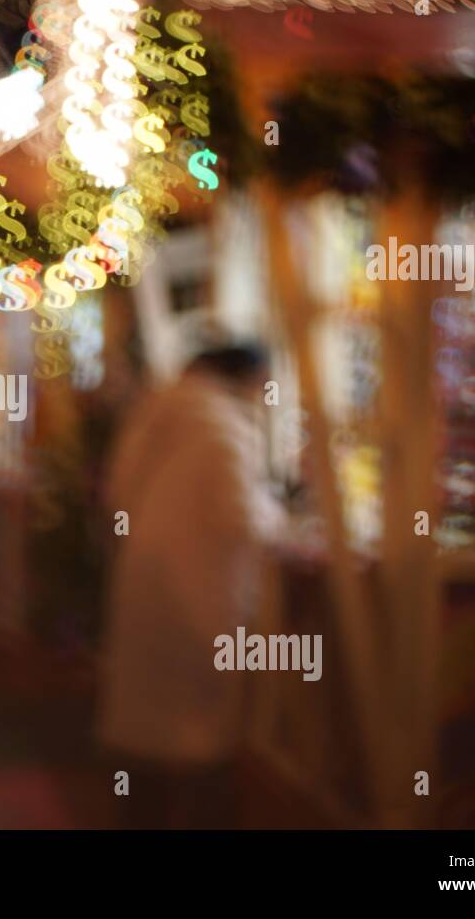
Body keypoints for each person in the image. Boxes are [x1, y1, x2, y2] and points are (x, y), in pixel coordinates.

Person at [96, 341, 287, 828]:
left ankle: (138, 813)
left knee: (147, 724)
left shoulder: (156, 410)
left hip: (145, 577)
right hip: (201, 589)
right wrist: (282, 518)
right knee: (195, 732)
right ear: (245, 377)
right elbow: (241, 515)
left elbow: (115, 493)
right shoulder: (223, 425)